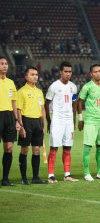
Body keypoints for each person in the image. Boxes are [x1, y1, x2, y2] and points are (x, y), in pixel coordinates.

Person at [45, 61, 79, 183]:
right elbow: (46, 103)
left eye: (70, 72)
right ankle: (50, 175)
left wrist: (74, 120)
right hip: (57, 119)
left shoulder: (73, 87)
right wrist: (49, 120)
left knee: (67, 148)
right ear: (60, 72)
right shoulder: (54, 86)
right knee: (54, 147)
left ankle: (67, 175)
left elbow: (74, 103)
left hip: (69, 121)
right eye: (66, 71)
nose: (68, 74)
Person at [78, 64, 100, 181]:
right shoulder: (87, 87)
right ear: (91, 74)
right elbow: (79, 102)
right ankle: (86, 173)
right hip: (90, 121)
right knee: (87, 147)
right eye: (95, 72)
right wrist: (80, 118)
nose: (98, 73)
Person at [17, 66, 47, 184]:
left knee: (36, 150)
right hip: (26, 121)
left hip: (37, 123)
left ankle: (35, 177)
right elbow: (18, 110)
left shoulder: (39, 92)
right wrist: (21, 126)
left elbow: (43, 109)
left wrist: (43, 125)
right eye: (32, 74)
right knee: (25, 150)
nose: (35, 76)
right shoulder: (21, 92)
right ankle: (24, 178)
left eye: (36, 74)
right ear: (26, 77)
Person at [0, 56, 21, 186]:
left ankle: (5, 179)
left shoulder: (11, 83)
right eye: (2, 63)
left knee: (9, 147)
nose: (4, 66)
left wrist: (17, 120)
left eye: (6, 63)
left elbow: (14, 103)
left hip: (9, 116)